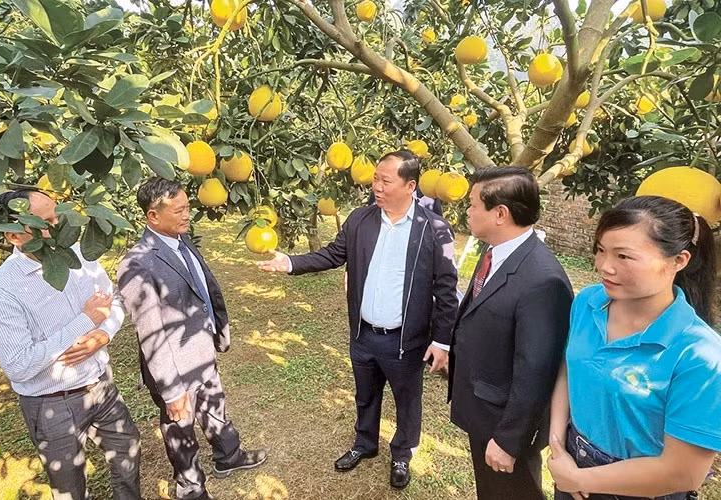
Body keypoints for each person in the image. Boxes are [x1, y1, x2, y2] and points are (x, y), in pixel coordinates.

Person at [257, 150, 459, 489]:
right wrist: (291, 263)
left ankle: (402, 453)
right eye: (375, 179)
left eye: (385, 181)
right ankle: (365, 443)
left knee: (407, 401)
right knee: (365, 395)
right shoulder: (361, 219)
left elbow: (447, 289)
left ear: (410, 185)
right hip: (364, 335)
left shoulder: (433, 230)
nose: (375, 186)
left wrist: (442, 341)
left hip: (405, 340)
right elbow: (333, 254)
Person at [547, 196, 721, 500]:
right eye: (601, 250)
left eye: (623, 256)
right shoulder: (588, 303)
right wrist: (558, 446)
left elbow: (684, 472)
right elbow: (569, 368)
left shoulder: (699, 354)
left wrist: (580, 478)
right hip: (571, 467)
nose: (604, 266)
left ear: (679, 261)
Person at [0, 189, 140, 500]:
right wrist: (84, 321)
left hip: (100, 385)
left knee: (127, 450)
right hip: (52, 401)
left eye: (57, 215)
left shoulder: (79, 255)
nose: (60, 226)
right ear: (14, 235)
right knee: (68, 486)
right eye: (46, 221)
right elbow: (18, 365)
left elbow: (114, 301)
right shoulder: (1, 292)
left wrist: (103, 334)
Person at [117, 177, 267, 500]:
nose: (187, 215)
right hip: (174, 365)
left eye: (187, 208)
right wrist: (171, 390)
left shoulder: (180, 240)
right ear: (153, 216)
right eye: (179, 210)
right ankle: (191, 489)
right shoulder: (137, 263)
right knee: (180, 428)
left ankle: (229, 455)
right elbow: (150, 332)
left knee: (215, 408)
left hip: (201, 351)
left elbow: (204, 288)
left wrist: (218, 330)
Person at [448, 166, 573, 500]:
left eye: (473, 205)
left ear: (500, 213)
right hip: (484, 407)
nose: (467, 211)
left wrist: (509, 440)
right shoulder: (496, 252)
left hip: (504, 421)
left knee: (513, 493)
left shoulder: (542, 280)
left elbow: (537, 369)